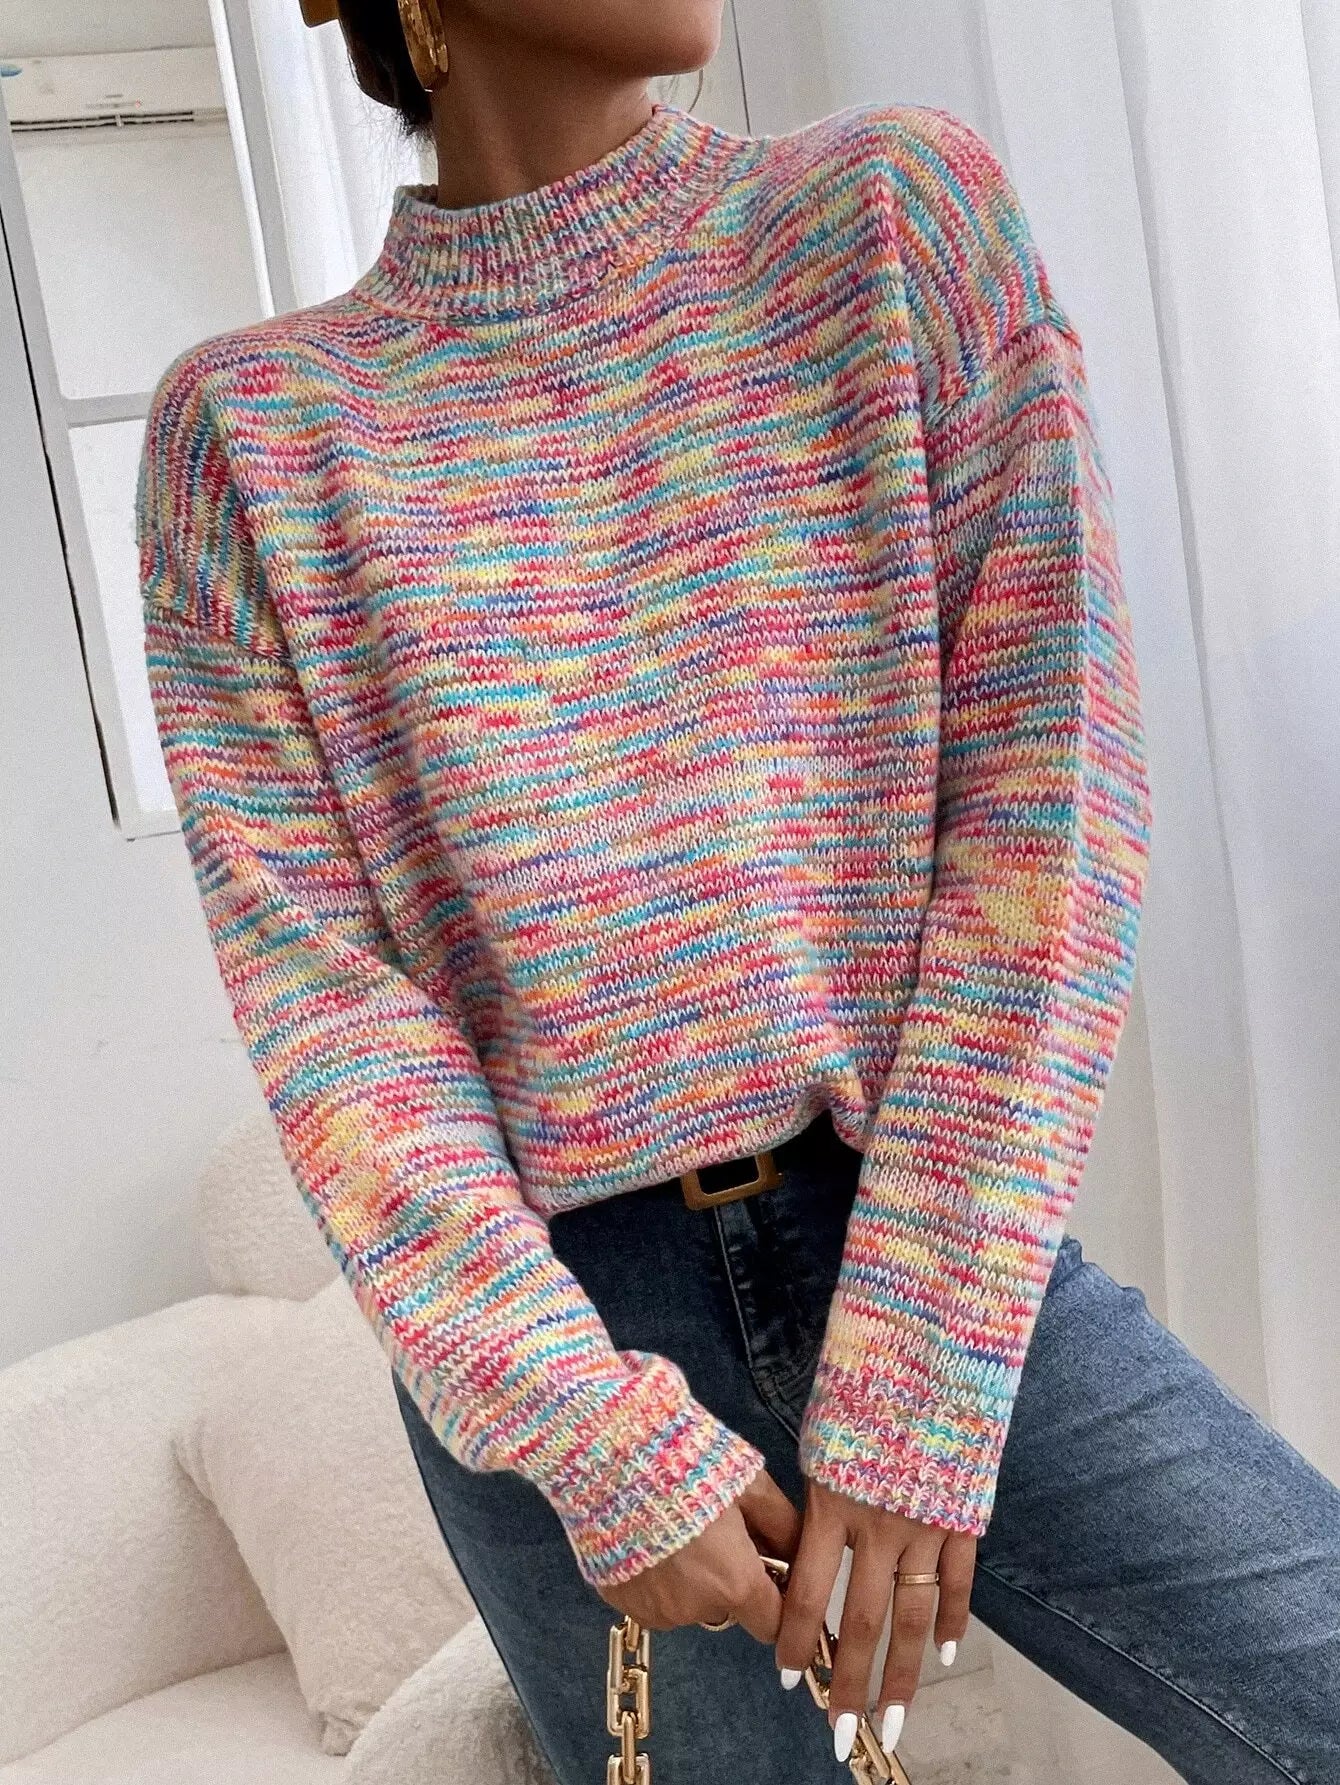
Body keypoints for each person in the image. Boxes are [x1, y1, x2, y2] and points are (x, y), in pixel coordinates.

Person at [135, 1, 1340, 1779]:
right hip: (564, 1327)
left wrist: (921, 1357)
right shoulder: (247, 434)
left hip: (915, 1223)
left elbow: (1048, 811)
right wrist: (587, 1433)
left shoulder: (892, 219)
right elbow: (335, 1020)